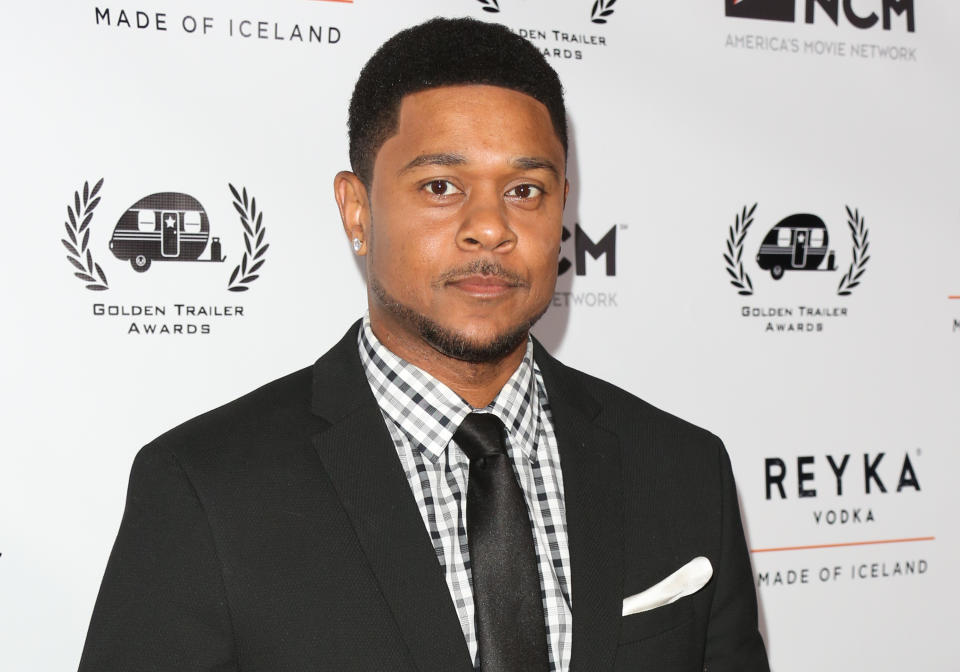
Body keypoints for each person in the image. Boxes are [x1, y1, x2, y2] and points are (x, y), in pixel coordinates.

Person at [78, 16, 769, 672]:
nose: (490, 228)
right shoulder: (207, 489)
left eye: (526, 190)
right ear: (357, 209)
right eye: (442, 186)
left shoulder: (683, 470)